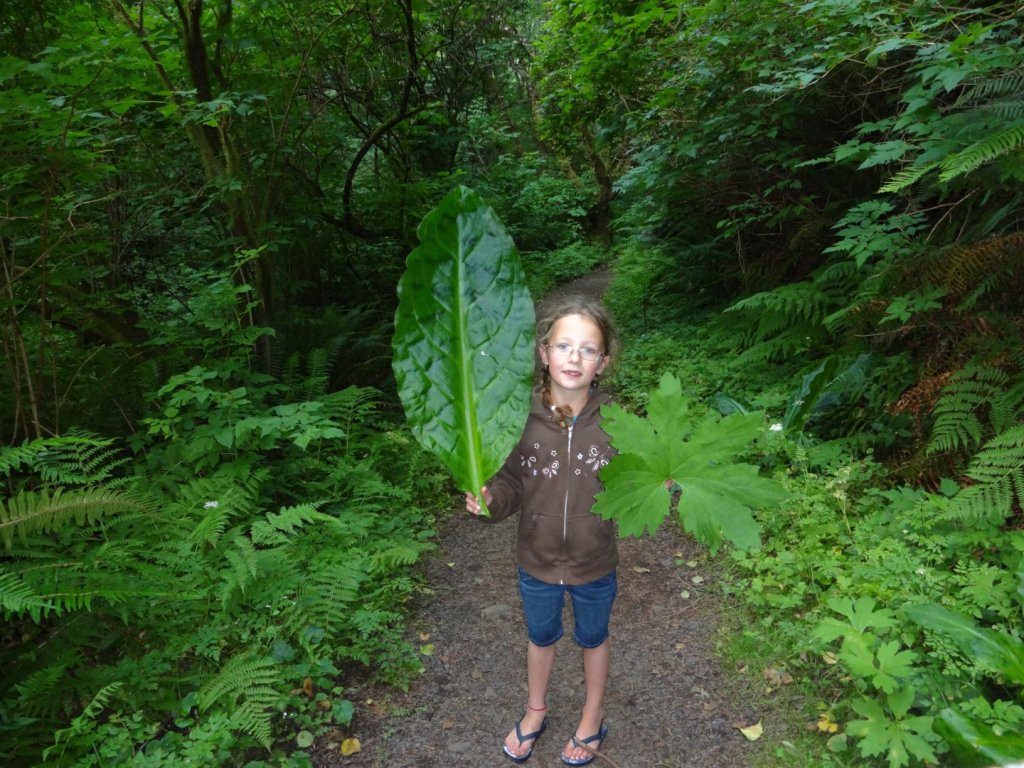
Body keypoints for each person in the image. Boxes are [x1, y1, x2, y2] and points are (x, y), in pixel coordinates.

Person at [465, 296, 621, 766]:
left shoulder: (619, 424)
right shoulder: (520, 420)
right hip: (536, 559)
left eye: (588, 349)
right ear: (543, 353)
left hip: (595, 561)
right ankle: (537, 711)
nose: (574, 357)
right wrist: (490, 502)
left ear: (603, 363)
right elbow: (511, 483)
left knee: (593, 637)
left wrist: (663, 482)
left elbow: (639, 482)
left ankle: (592, 715)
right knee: (541, 636)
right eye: (564, 345)